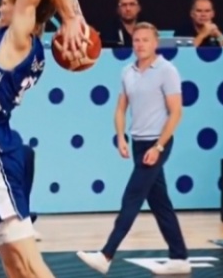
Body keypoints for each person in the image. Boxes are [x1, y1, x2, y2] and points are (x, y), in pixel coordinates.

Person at [0, 0, 92, 278]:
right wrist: (73, 15)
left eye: (5, 1)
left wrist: (72, 18)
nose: (0, 7)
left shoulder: (17, 39)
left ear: (24, 6)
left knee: (30, 263)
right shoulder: (32, 48)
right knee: (14, 263)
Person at [76, 22, 190, 276]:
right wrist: (121, 136)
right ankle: (179, 257)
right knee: (160, 203)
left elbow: (176, 112)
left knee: (132, 197)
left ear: (155, 42)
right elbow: (120, 108)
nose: (140, 44)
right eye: (137, 40)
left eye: (145, 40)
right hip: (139, 143)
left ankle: (106, 255)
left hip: (158, 143)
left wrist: (159, 146)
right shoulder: (127, 71)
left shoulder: (167, 71)